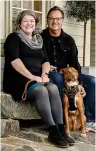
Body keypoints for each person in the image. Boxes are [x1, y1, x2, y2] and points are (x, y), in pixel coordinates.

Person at [3, 10, 75, 148]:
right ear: (19, 23)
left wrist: (44, 75)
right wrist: (32, 77)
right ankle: (52, 131)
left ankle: (61, 128)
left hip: (38, 77)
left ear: (36, 24)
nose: (29, 24)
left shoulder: (38, 40)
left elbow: (46, 61)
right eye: (25, 21)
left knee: (53, 88)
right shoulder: (14, 38)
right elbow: (15, 61)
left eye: (32, 21)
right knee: (41, 91)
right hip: (19, 79)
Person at [41, 6, 95, 123]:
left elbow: (75, 63)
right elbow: (35, 57)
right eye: (51, 18)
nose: (55, 21)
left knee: (92, 81)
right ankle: (62, 120)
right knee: (57, 78)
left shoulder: (69, 40)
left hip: (68, 75)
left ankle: (89, 120)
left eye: (58, 18)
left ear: (62, 20)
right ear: (47, 20)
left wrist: (79, 82)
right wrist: (44, 65)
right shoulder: (40, 37)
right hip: (49, 74)